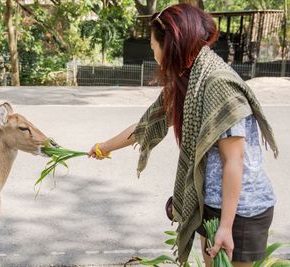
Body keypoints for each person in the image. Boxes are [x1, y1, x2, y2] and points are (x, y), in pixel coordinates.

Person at [88, 4, 278, 267]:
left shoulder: (217, 84)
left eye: (153, 45)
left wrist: (225, 227)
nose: (152, 52)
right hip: (209, 202)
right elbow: (147, 125)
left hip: (240, 211)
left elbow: (235, 160)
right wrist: (104, 146)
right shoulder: (187, 79)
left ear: (170, 44)